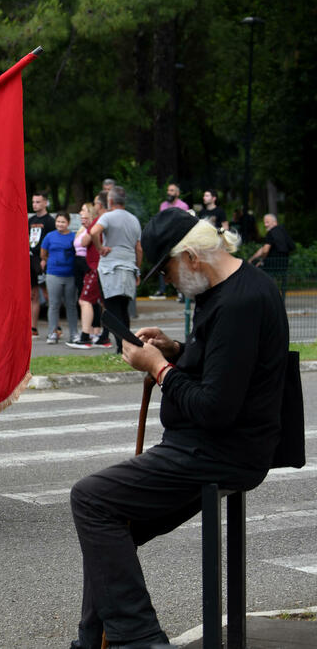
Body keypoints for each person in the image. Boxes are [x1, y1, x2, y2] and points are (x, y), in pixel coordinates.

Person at [69, 208, 288, 649]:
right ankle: (91, 640)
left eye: (166, 269)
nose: (167, 281)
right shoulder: (230, 291)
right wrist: (176, 350)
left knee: (91, 498)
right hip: (208, 444)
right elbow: (224, 369)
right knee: (112, 527)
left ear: (190, 256)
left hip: (218, 450)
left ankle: (140, 639)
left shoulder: (241, 301)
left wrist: (162, 368)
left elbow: (215, 408)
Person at [88, 186, 142, 353]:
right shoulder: (134, 219)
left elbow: (94, 231)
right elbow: (139, 248)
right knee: (123, 309)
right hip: (129, 266)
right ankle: (128, 346)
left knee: (112, 309)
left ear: (110, 201)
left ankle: (121, 347)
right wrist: (137, 270)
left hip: (110, 268)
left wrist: (100, 248)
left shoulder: (108, 217)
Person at [67, 202, 111, 350]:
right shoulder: (101, 222)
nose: (81, 213)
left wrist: (91, 234)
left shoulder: (97, 223)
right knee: (103, 302)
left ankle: (86, 337)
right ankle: (104, 336)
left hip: (95, 266)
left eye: (83, 210)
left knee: (85, 300)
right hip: (94, 266)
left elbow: (86, 240)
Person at [40, 212, 78, 344]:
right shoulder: (50, 236)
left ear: (68, 223)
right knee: (54, 305)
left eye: (63, 222)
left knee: (71, 305)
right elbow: (43, 253)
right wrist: (50, 262)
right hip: (53, 274)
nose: (60, 224)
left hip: (70, 275)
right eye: (58, 222)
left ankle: (74, 334)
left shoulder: (74, 236)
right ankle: (52, 333)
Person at [28, 192, 56, 337]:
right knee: (33, 295)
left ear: (45, 203)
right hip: (31, 259)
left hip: (43, 260)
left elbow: (53, 242)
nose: (35, 205)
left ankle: (55, 326)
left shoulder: (51, 221)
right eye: (33, 202)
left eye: (38, 202)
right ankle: (33, 327)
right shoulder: (30, 220)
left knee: (48, 293)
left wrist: (46, 258)